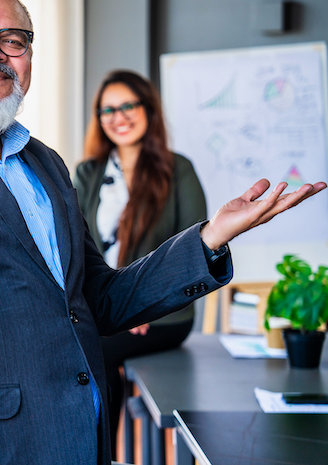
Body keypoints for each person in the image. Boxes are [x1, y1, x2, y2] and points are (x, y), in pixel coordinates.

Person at [0, 0, 325, 465]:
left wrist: (213, 236)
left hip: (74, 438)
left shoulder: (45, 163)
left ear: (30, 59)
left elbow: (97, 301)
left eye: (12, 40)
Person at [73, 70, 207, 457]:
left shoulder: (177, 169)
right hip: (106, 309)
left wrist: (146, 299)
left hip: (164, 314)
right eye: (108, 109)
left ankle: (99, 454)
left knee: (94, 352)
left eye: (128, 105)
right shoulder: (89, 173)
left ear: (148, 110)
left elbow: (194, 248)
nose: (119, 116)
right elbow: (76, 251)